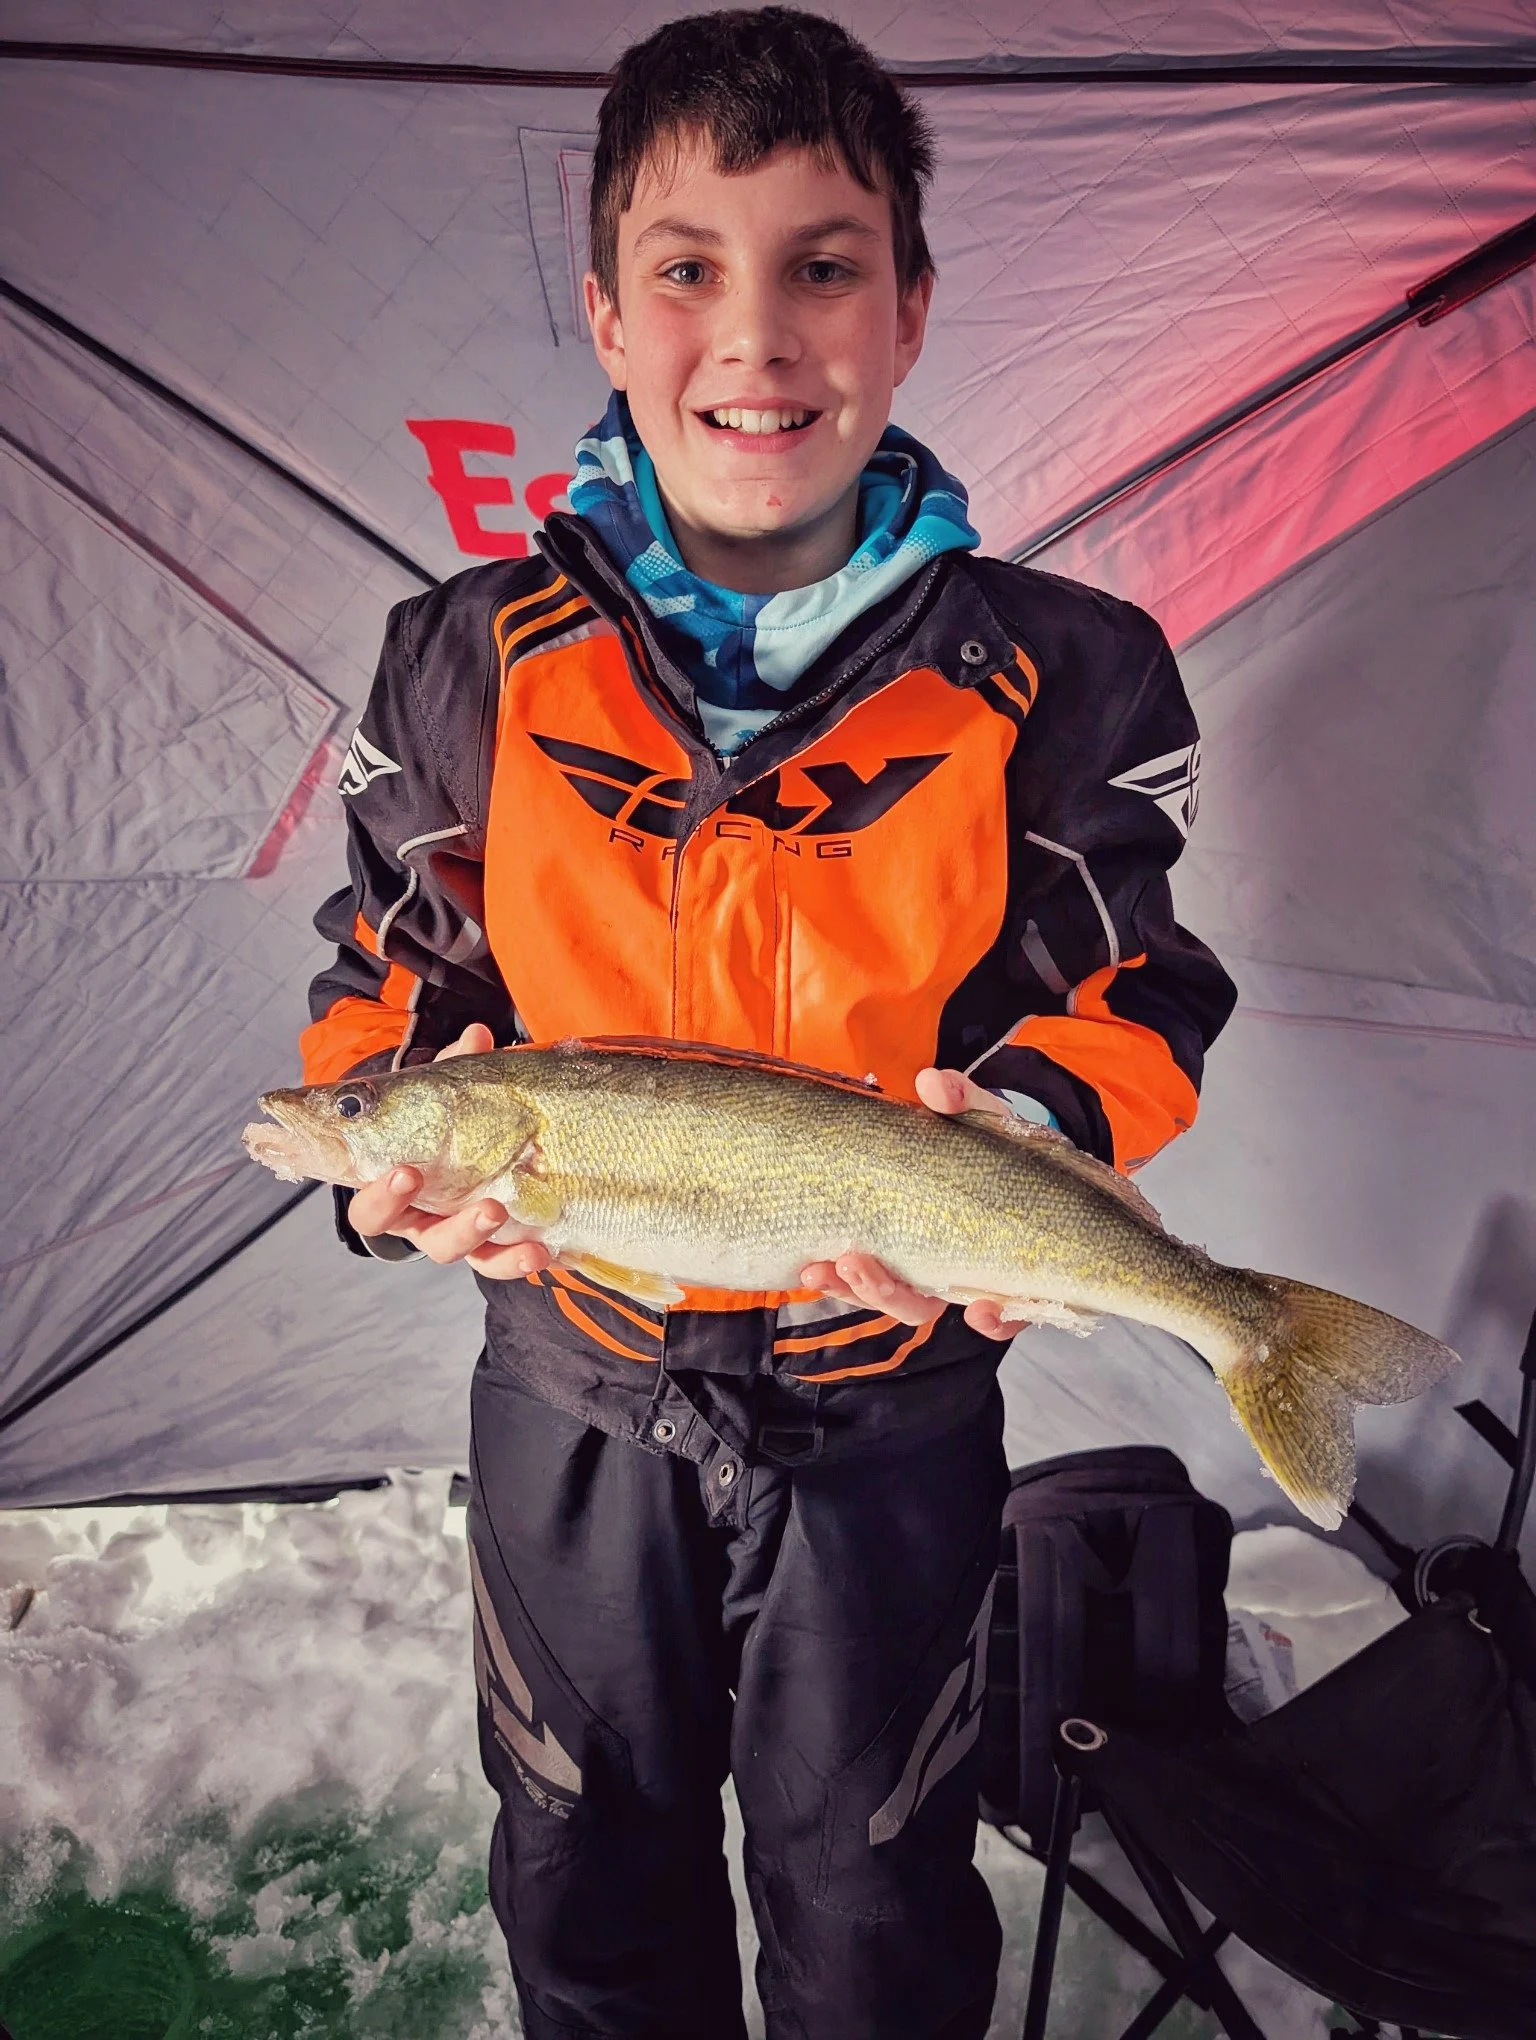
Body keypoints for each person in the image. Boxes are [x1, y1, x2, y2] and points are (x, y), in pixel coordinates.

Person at [299, 9, 1236, 2034]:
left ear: (908, 308)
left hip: (890, 1403)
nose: (758, 335)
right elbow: (382, 986)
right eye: (688, 269)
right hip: (569, 1396)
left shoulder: (1066, 669)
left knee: (880, 1886)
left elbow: (1142, 992)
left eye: (824, 265)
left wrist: (1030, 1132)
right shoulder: (460, 659)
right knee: (582, 1859)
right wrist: (399, 1177)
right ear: (606, 316)